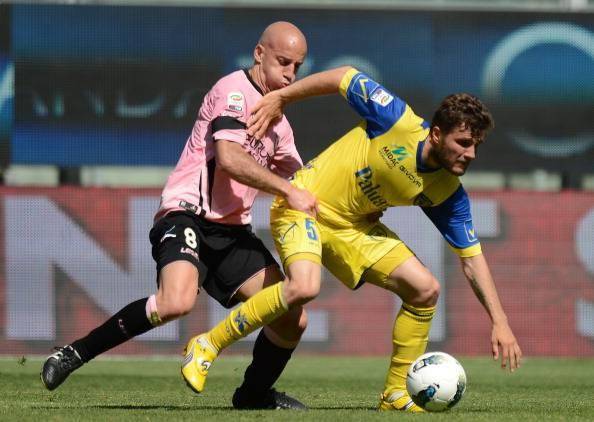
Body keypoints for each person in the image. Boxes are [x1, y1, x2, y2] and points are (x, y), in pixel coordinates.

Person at [187, 66, 522, 412]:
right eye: (463, 143)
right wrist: (282, 97)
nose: (471, 154)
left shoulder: (448, 193)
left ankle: (395, 394)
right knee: (304, 286)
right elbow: (343, 76)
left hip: (352, 229)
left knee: (425, 290)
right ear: (436, 134)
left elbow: (472, 260)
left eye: (476, 146)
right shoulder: (397, 120)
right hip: (304, 205)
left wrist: (500, 321)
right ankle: (208, 344)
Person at [40, 21, 317, 410]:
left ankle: (253, 395)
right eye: (283, 62)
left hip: (233, 232)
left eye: (297, 67)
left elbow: (305, 180)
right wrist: (288, 191)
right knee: (175, 302)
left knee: (292, 318)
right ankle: (74, 353)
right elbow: (230, 158)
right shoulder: (233, 91)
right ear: (259, 54)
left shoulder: (280, 126)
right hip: (187, 215)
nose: (290, 74)